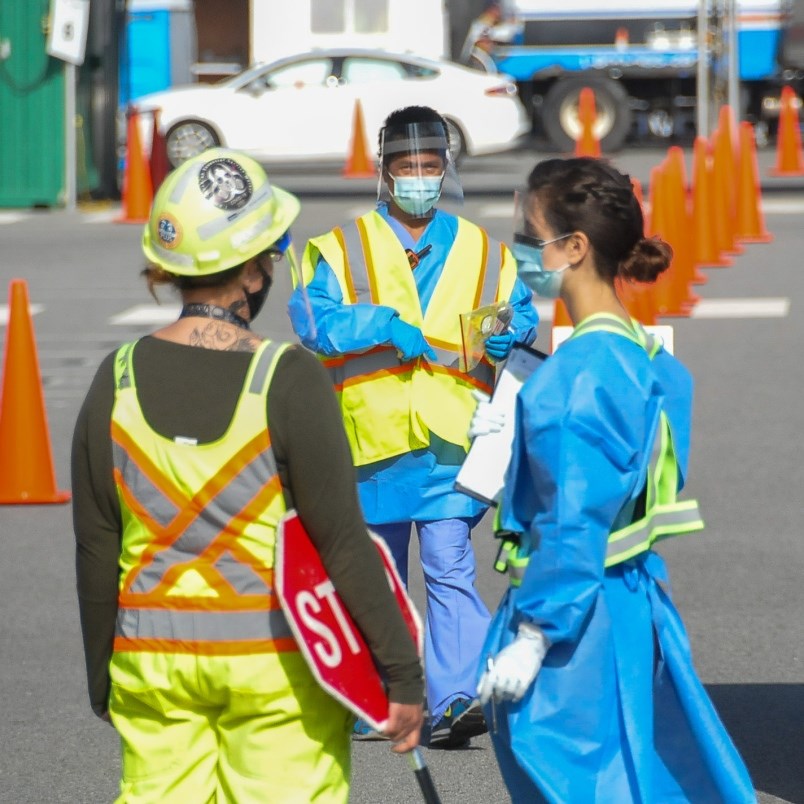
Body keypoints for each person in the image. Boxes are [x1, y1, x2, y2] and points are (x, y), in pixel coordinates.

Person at [71, 147, 424, 803]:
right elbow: (341, 540)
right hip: (273, 668)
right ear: (253, 271)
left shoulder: (112, 382)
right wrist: (401, 674)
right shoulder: (286, 380)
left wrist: (104, 677)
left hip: (154, 662)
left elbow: (97, 547)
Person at [473, 157, 756, 802]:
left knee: (578, 779)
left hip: (574, 619)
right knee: (644, 771)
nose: (519, 244)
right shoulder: (644, 353)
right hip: (630, 600)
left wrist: (534, 635)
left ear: (573, 247)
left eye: (529, 230)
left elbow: (572, 522)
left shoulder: (575, 378)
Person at [287, 105, 539, 747]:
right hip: (370, 444)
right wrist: (379, 324)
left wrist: (517, 331)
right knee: (380, 577)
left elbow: (521, 311)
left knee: (449, 564)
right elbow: (311, 321)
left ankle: (457, 696)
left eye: (431, 167)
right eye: (408, 168)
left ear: (445, 169)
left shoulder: (485, 251)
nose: (420, 178)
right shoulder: (340, 249)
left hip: (453, 444)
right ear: (385, 172)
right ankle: (379, 695)